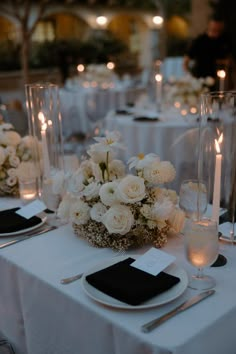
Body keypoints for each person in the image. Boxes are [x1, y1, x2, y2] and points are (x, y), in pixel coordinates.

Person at [183, 17, 232, 82]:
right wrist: (190, 76)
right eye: (214, 29)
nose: (217, 32)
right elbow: (186, 60)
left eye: (219, 29)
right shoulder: (199, 41)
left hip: (220, 80)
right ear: (209, 25)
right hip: (201, 79)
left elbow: (229, 59)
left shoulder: (224, 40)